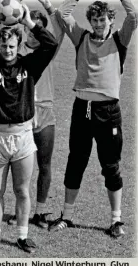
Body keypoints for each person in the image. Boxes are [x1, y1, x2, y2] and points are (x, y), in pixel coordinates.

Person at [0, 4, 58, 253]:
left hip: (22, 137)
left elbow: (50, 44)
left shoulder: (30, 66)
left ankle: (22, 236)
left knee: (21, 190)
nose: (7, 50)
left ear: (18, 46)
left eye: (11, 46)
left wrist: (29, 22)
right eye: (4, 45)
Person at [49, 0, 137, 238]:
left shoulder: (120, 39)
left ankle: (116, 220)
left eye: (103, 19)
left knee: (110, 166)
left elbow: (134, 14)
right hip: (82, 109)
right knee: (76, 161)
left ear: (111, 19)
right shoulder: (81, 37)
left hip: (108, 111)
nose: (99, 24)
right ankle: (66, 216)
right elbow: (62, 14)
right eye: (95, 20)